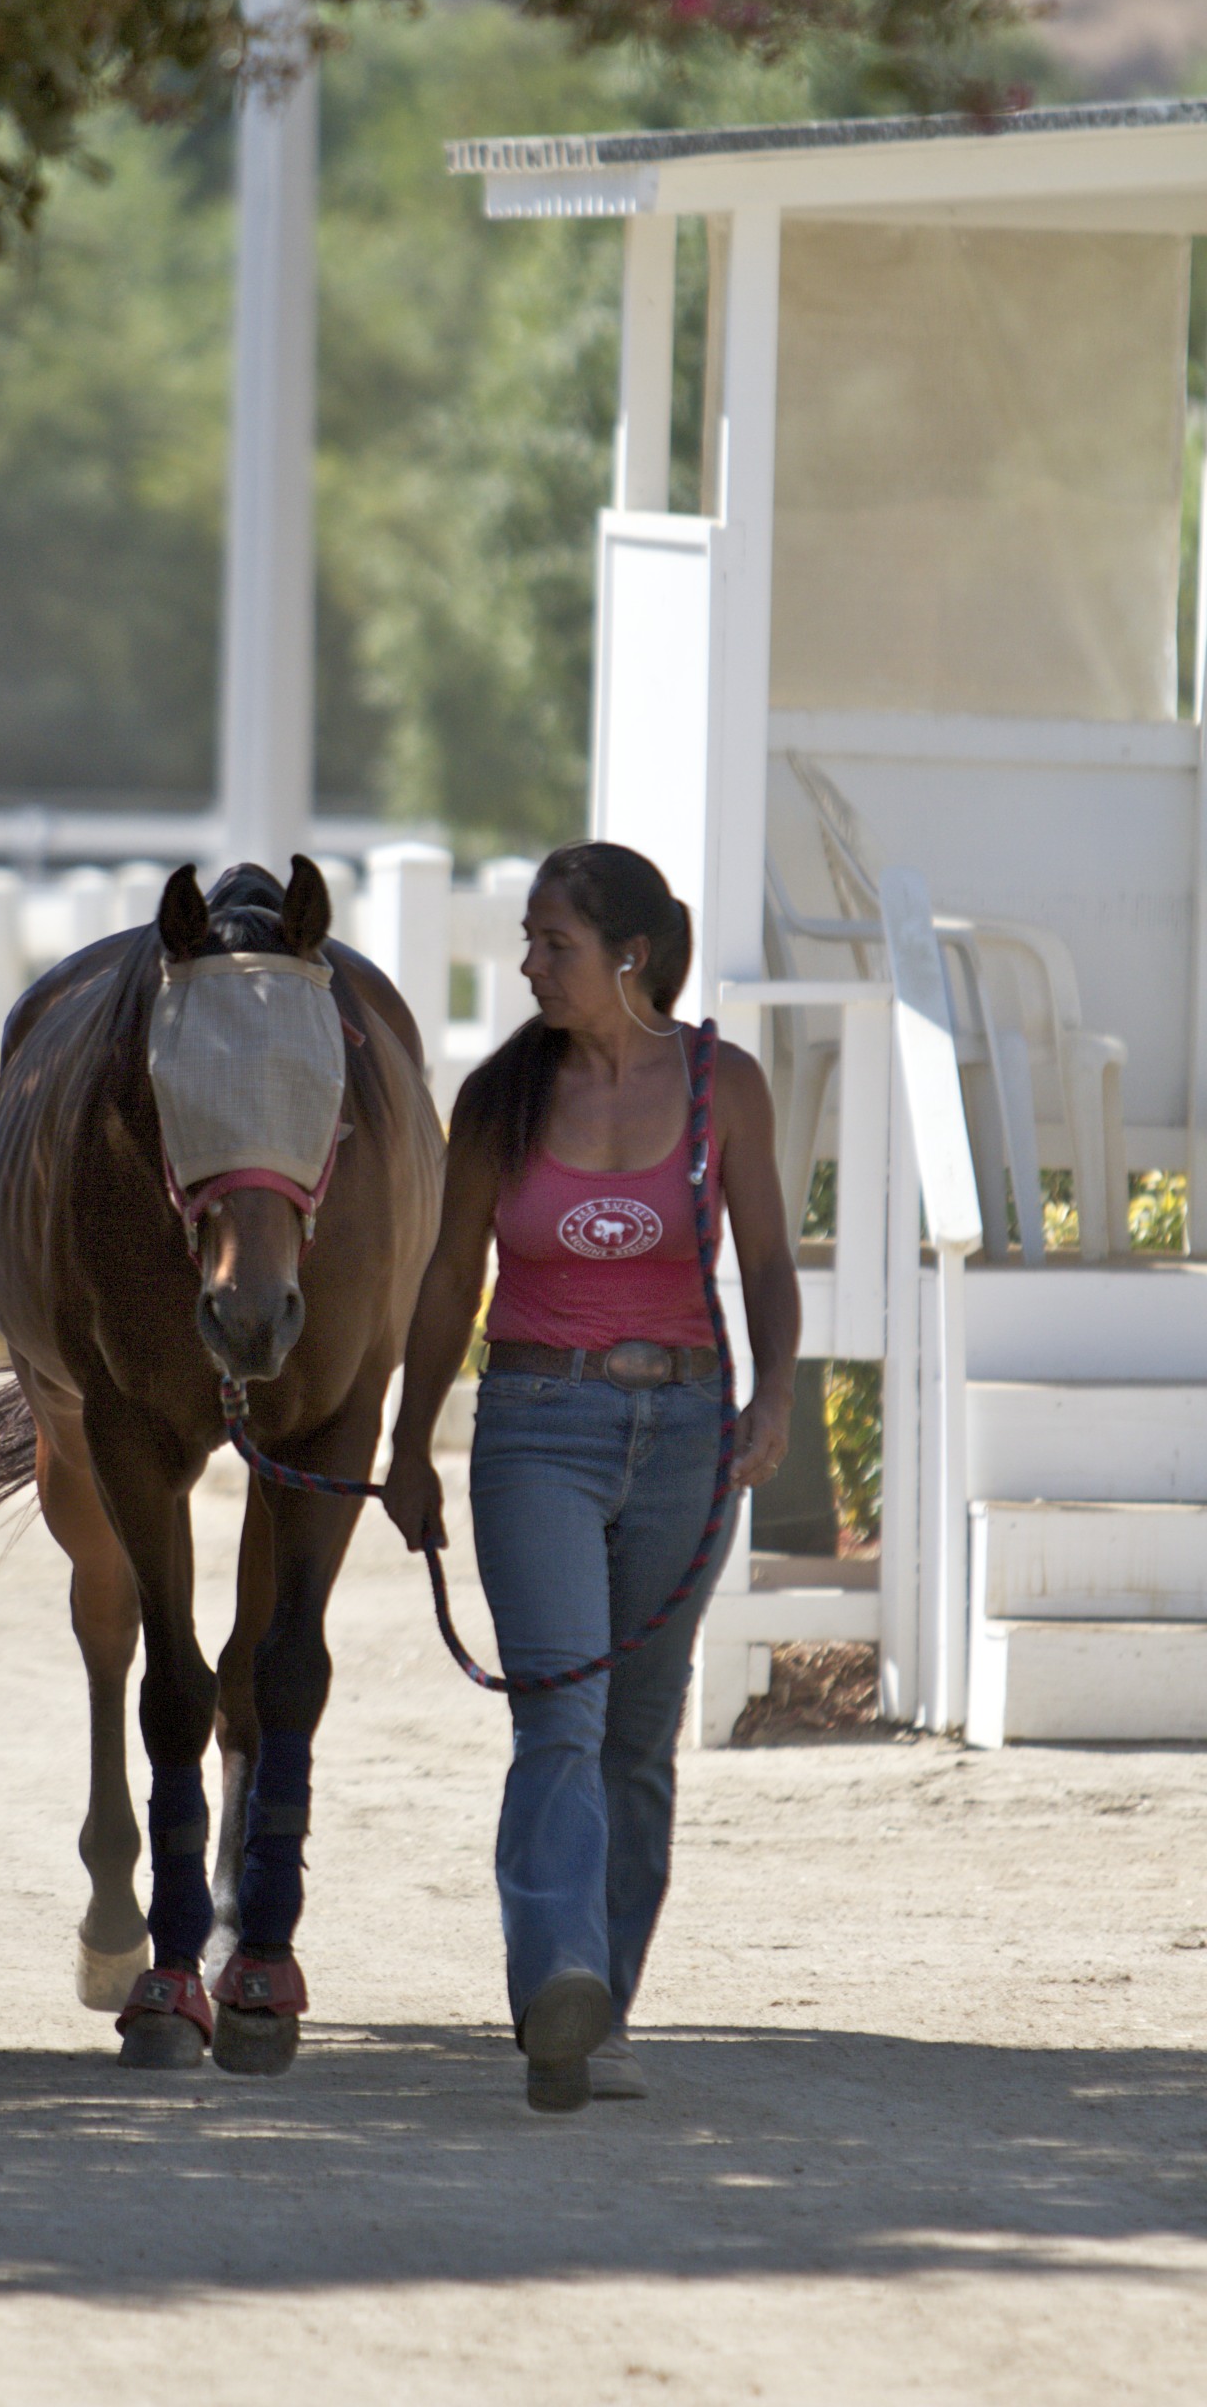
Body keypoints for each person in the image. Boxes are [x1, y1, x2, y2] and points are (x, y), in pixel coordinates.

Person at [383, 842, 798, 2114]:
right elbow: (452, 1279)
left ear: (628, 954)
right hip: (536, 1426)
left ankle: (601, 2009)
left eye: (551, 944)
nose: (527, 966)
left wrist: (774, 1393)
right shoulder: (500, 1097)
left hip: (686, 1432)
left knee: (637, 1736)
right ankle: (556, 1975)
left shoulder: (726, 1086)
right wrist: (409, 1445)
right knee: (559, 1711)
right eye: (527, 941)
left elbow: (772, 1265)